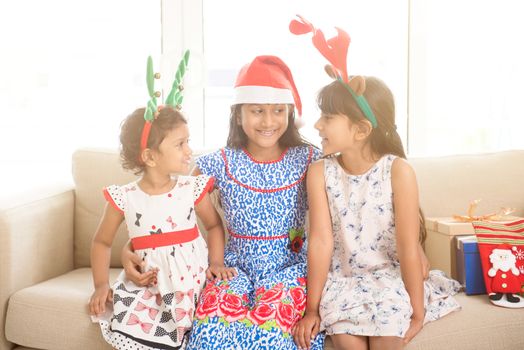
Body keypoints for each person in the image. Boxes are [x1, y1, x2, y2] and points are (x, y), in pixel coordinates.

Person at [290, 17, 461, 350]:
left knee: (386, 342)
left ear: (361, 129)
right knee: (348, 344)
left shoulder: (398, 172)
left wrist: (417, 309)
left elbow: (409, 247)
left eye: (327, 117)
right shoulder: (319, 172)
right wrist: (311, 309)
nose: (317, 124)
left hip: (389, 280)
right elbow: (321, 242)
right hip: (344, 283)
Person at [89, 54, 235, 350]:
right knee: (135, 324)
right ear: (150, 156)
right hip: (152, 286)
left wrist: (216, 262)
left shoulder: (191, 188)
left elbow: (214, 226)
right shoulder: (124, 197)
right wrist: (101, 284)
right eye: (180, 144)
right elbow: (101, 242)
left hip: (194, 282)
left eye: (188, 141)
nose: (189, 150)